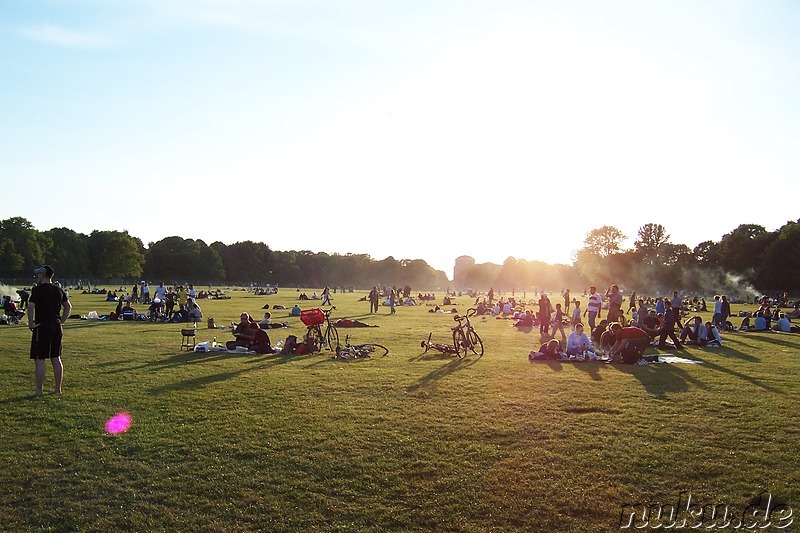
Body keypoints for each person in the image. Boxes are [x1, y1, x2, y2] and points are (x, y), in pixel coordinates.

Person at [27, 265, 71, 397]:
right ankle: (57, 389)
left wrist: (31, 323)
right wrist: (62, 321)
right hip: (56, 326)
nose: (38, 276)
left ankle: (39, 391)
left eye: (39, 274)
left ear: (43, 274)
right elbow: (68, 306)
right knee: (55, 357)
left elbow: (30, 307)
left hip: (43, 326)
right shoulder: (58, 289)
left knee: (40, 359)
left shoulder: (38, 289)